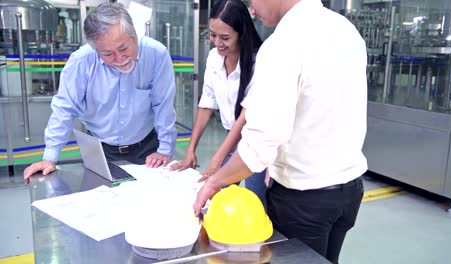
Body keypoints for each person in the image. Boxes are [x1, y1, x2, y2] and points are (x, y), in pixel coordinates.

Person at [193, 0, 367, 263]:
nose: (252, 8)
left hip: (304, 200)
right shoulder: (345, 30)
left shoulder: (283, 43)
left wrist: (215, 181)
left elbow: (260, 143)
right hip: (349, 193)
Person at [23, 3, 177, 184]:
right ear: (96, 49)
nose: (120, 59)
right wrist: (50, 157)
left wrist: (165, 150)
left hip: (148, 149)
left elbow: (163, 105)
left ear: (134, 36)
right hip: (100, 151)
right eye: (107, 53)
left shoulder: (156, 54)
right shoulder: (82, 61)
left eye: (123, 48)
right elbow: (64, 109)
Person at [170, 0, 267, 205]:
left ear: (241, 33)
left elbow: (245, 117)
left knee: (256, 201)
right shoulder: (214, 57)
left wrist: (217, 160)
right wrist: (190, 149)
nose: (217, 42)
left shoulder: (260, 61)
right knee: (212, 195)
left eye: (225, 37)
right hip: (230, 137)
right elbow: (207, 103)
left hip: (254, 141)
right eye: (213, 35)